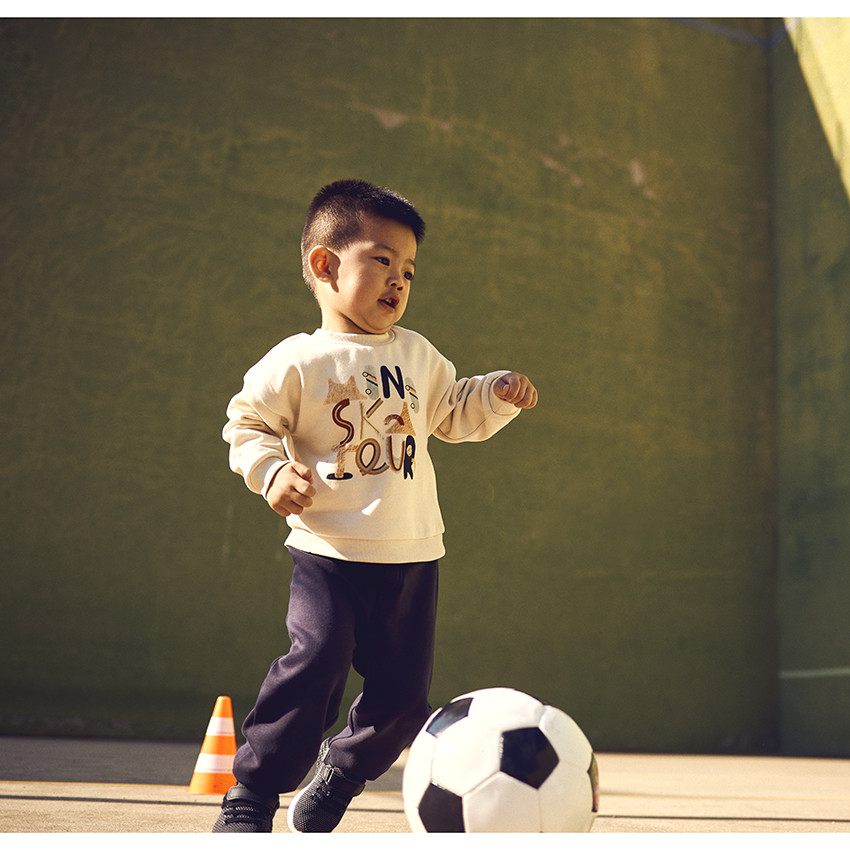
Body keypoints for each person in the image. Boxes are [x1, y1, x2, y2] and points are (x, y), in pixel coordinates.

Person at [214, 179, 538, 833]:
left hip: (413, 554)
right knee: (316, 663)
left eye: (409, 270)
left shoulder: (417, 355)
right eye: (382, 261)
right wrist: (271, 471)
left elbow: (453, 411)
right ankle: (251, 796)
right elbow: (245, 424)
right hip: (327, 554)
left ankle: (344, 772)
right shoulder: (299, 361)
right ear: (325, 265)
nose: (399, 281)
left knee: (403, 699)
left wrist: (498, 393)